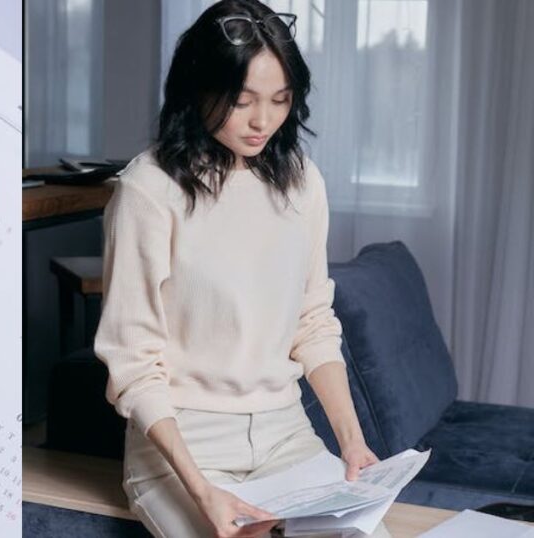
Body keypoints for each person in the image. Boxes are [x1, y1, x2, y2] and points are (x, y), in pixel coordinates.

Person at [94, 1, 390, 537]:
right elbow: (133, 363)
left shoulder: (302, 181)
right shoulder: (148, 189)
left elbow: (314, 322)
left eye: (280, 100)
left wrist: (351, 441)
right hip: (183, 444)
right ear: (199, 90)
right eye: (241, 100)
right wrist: (201, 490)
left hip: (286, 435)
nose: (263, 121)